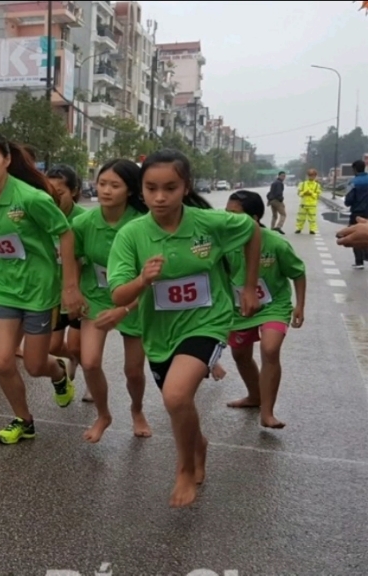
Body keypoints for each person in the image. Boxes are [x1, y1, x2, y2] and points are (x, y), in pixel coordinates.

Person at [107, 149, 262, 508]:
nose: (160, 197)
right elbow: (117, 294)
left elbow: (252, 229)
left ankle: (184, 468)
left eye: (170, 188)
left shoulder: (209, 223)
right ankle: (198, 444)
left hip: (207, 321)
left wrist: (250, 286)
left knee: (175, 396)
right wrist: (142, 279)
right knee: (178, 400)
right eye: (151, 188)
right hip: (160, 333)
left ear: (185, 187)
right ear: (140, 191)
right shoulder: (132, 235)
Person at [0, 133, 84, 445]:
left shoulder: (31, 198)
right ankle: (24, 420)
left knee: (36, 365)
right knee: (3, 361)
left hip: (38, 289)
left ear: (7, 160)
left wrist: (70, 287)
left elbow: (65, 234)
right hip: (1, 288)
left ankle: (59, 374)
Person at [71, 158, 151, 442]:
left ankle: (137, 410)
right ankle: (103, 415)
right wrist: (72, 290)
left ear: (130, 190)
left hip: (135, 300)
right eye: (102, 183)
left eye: (114, 185)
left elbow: (152, 279)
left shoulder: (143, 225)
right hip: (96, 297)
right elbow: (73, 258)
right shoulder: (83, 223)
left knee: (133, 371)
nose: (105, 190)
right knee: (90, 362)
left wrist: (126, 308)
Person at [223, 190, 305, 429]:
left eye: (235, 215)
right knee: (240, 355)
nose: (229, 220)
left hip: (273, 306)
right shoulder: (224, 243)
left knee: (270, 349)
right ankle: (254, 396)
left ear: (256, 217)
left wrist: (300, 305)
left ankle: (267, 413)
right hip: (239, 309)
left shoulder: (276, 243)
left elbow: (298, 273)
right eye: (226, 214)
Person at [46, 164, 87, 390]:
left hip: (80, 291)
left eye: (59, 193)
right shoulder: (43, 217)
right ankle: (74, 359)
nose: (53, 199)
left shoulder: (84, 221)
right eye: (48, 193)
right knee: (52, 346)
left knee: (77, 345)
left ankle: (91, 373)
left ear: (73, 191)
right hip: (54, 292)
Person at [343, 160, 368, 269]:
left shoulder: (353, 182)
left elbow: (348, 200)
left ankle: (359, 262)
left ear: (354, 169)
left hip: (357, 213)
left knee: (356, 236)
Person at [295, 169, 321, 234]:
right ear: (307, 176)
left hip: (312, 205)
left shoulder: (317, 185)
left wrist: (311, 193)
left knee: (312, 218)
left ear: (315, 176)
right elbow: (299, 193)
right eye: (310, 175)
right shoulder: (302, 184)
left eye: (313, 175)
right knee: (301, 218)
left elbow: (318, 195)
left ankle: (312, 230)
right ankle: (298, 228)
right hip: (303, 204)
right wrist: (304, 193)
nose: (311, 177)